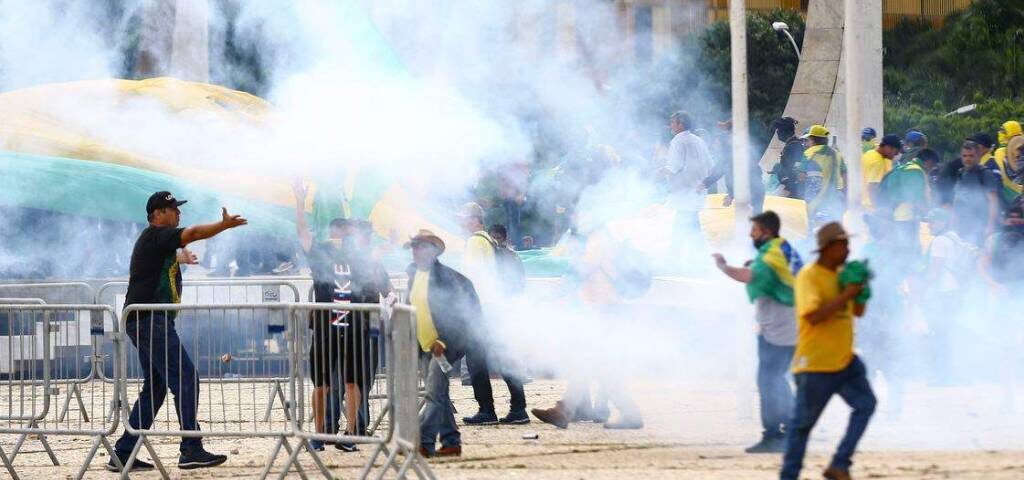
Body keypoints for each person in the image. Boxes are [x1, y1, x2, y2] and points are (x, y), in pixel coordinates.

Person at [111, 192, 246, 472]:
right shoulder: (157, 235)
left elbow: (157, 263)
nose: (178, 213)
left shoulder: (156, 241)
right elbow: (194, 233)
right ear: (158, 214)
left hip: (146, 321)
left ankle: (123, 453)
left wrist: (179, 259)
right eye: (173, 209)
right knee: (186, 379)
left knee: (156, 387)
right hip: (150, 321)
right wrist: (223, 226)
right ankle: (191, 448)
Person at [293, 181, 394, 451]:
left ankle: (350, 434)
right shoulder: (321, 253)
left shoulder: (361, 258)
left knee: (352, 383)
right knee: (322, 385)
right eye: (341, 232)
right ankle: (320, 435)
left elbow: (381, 278)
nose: (342, 237)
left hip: (355, 329)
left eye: (347, 232)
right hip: (327, 329)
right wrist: (299, 203)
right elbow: (302, 233)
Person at [780, 222, 876, 480]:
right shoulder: (809, 276)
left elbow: (857, 312)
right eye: (843, 245)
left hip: (845, 360)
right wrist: (847, 294)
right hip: (816, 364)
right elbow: (812, 316)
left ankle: (840, 463)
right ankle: (789, 475)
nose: (848, 249)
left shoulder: (842, 275)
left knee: (866, 404)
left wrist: (861, 292)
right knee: (802, 427)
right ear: (827, 248)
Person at [712, 211, 801, 453]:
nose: (752, 235)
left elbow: (748, 275)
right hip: (787, 323)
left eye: (755, 231)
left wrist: (723, 266)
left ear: (767, 232)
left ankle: (774, 435)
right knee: (777, 378)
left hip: (778, 327)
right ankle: (793, 428)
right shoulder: (782, 248)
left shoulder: (771, 254)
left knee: (768, 380)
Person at [406, 229, 481, 457]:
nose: (416, 251)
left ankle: (424, 442)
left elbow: (458, 315)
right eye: (414, 247)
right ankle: (451, 442)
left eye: (420, 247)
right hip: (423, 345)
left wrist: (443, 340)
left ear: (433, 251)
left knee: (434, 395)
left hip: (442, 347)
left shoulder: (446, 278)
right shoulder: (413, 274)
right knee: (439, 394)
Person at [458, 203, 529, 425]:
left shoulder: (474, 241)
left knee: (476, 360)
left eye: (463, 217)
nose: (461, 221)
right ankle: (519, 408)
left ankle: (487, 410)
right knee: (503, 356)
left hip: (482, 307)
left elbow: (472, 278)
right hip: (495, 305)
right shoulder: (489, 240)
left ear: (474, 219)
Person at [663, 111, 713, 256]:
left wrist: (657, 173)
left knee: (683, 224)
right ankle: (697, 256)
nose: (671, 125)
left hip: (684, 192)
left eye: (673, 122)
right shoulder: (699, 141)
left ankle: (676, 256)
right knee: (689, 224)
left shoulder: (678, 141)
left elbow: (674, 166)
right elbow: (710, 165)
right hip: (697, 190)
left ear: (681, 124)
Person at [953, 137, 1002, 247]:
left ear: (978, 156)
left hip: (980, 226)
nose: (967, 159)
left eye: (971, 156)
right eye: (965, 156)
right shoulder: (961, 173)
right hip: (962, 226)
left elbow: (993, 201)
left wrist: (990, 225)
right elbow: (957, 199)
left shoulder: (985, 174)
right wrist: (953, 222)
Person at [800, 125, 847, 229]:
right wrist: (844, 193)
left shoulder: (808, 153)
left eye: (808, 140)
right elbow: (845, 174)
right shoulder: (837, 154)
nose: (806, 143)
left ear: (813, 140)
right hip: (835, 201)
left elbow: (802, 177)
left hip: (815, 202)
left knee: (815, 232)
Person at [988, 121, 1024, 206]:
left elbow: (1002, 175)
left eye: (1003, 131)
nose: (999, 133)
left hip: (1011, 193)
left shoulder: (1001, 152)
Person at [860, 134, 899, 211]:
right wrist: (877, 209)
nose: (896, 155)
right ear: (888, 147)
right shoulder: (878, 162)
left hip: (865, 203)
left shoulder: (869, 153)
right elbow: (873, 187)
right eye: (895, 152)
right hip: (872, 207)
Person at [769, 117, 804, 199]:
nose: (777, 133)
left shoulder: (793, 146)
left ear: (784, 131)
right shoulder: (794, 144)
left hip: (791, 188)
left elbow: (795, 169)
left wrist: (787, 187)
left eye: (779, 130)